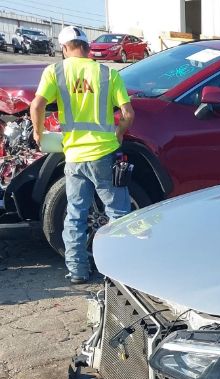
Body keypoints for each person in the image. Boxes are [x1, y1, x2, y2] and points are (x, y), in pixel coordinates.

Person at [30, 25, 135, 284]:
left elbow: (37, 106)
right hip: (104, 153)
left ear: (65, 49)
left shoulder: (54, 71)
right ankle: (121, 271)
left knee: (76, 214)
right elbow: (129, 114)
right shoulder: (107, 74)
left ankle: (77, 271)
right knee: (118, 214)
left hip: (74, 155)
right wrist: (119, 132)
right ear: (87, 48)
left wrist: (38, 132)